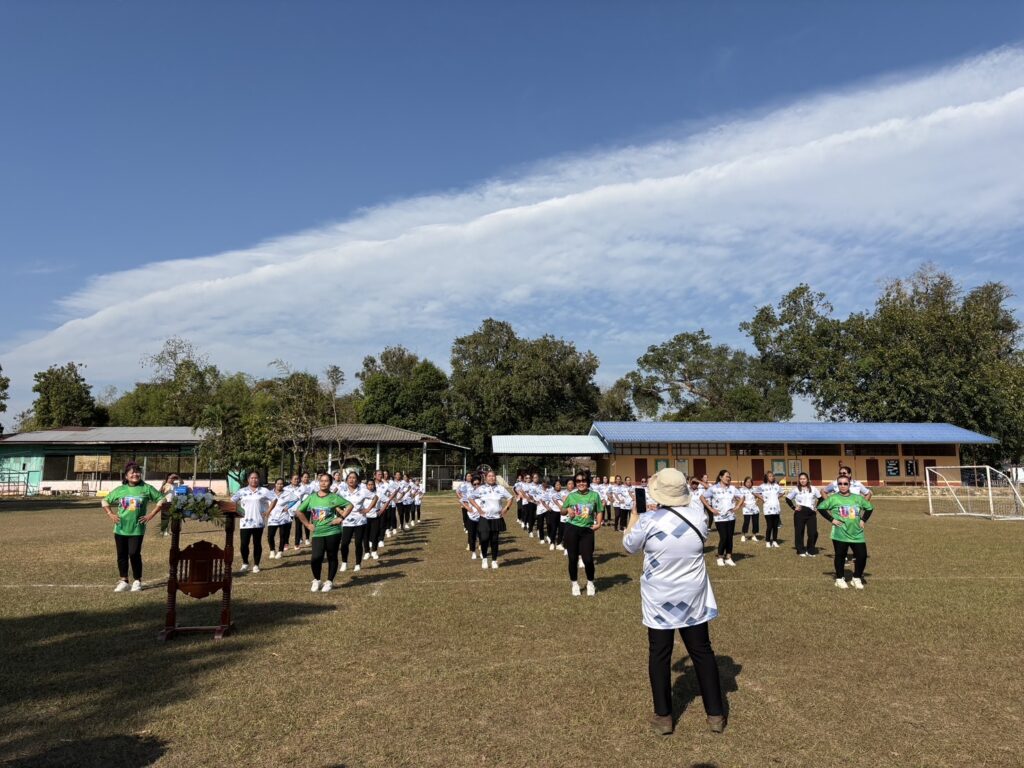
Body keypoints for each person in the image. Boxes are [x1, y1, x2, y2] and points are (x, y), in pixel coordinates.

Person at [622, 468, 725, 735]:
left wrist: (635, 515)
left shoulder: (648, 521)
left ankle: (664, 716)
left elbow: (629, 545)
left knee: (659, 653)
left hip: (660, 597)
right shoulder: (699, 516)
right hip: (693, 595)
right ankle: (715, 714)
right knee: (702, 651)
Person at [102, 462, 168, 592]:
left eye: (137, 472)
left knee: (134, 553)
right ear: (126, 476)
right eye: (132, 473)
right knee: (121, 555)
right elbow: (104, 501)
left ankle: (137, 581)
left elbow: (162, 499)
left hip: (137, 528)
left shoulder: (147, 488)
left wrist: (151, 515)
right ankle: (124, 581)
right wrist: (111, 514)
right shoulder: (120, 490)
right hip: (120, 528)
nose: (135, 474)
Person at [294, 472, 352, 592]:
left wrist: (341, 518)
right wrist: (308, 524)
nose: (323, 483)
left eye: (326, 481)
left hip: (333, 531)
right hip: (317, 533)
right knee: (316, 557)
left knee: (332, 556)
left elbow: (349, 505)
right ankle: (317, 580)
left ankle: (329, 581)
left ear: (330, 483)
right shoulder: (312, 497)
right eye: (321, 481)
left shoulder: (334, 497)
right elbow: (299, 511)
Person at [818, 477, 875, 588]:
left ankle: (856, 578)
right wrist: (832, 519)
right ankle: (839, 579)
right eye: (840, 484)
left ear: (849, 485)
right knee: (840, 556)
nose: (843, 486)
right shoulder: (833, 498)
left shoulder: (857, 498)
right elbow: (821, 508)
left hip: (857, 533)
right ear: (837, 485)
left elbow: (869, 508)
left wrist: (863, 520)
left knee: (862, 556)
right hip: (840, 533)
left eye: (845, 483)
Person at [561, 470, 604, 596]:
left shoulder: (594, 495)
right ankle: (574, 584)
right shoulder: (571, 496)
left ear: (588, 482)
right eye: (578, 481)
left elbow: (599, 510)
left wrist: (598, 524)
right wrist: (568, 509)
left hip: (587, 530)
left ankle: (590, 583)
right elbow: (562, 511)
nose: (581, 483)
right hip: (572, 529)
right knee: (572, 558)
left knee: (588, 559)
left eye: (583, 481)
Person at [231, 471, 278, 573]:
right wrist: (237, 511)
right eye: (252, 478)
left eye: (256, 478)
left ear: (259, 479)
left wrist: (268, 511)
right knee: (244, 544)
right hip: (245, 522)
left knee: (257, 544)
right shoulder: (242, 491)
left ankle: (256, 565)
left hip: (258, 522)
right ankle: (245, 563)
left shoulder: (264, 491)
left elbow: (274, 499)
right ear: (248, 479)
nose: (254, 480)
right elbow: (232, 501)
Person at [466, 470, 513, 569]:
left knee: (494, 540)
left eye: (493, 476)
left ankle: (494, 561)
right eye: (489, 476)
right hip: (484, 518)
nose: (492, 478)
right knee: (484, 539)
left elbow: (510, 498)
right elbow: (470, 498)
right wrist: (478, 508)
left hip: (496, 518)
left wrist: (506, 508)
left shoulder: (500, 488)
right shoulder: (481, 488)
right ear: (486, 478)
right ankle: (484, 559)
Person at [701, 470, 743, 567]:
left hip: (731, 517)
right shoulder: (713, 488)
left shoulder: (732, 488)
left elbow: (742, 496)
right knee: (724, 537)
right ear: (720, 477)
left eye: (729, 476)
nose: (728, 478)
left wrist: (737, 506)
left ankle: (728, 557)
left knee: (730, 537)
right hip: (719, 517)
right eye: (726, 476)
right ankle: (720, 557)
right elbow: (702, 497)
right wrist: (711, 509)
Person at [337, 471, 375, 573]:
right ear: (346, 480)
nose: (351, 480)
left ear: (357, 480)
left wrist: (367, 509)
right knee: (344, 543)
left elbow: (375, 497)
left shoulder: (363, 491)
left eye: (354, 478)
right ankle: (344, 562)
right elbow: (333, 501)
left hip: (360, 521)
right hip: (347, 520)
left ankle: (358, 564)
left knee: (358, 543)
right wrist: (340, 511)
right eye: (349, 478)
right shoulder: (342, 491)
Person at [786, 472, 821, 557]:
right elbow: (788, 499)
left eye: (804, 479)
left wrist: (817, 507)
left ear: (807, 479)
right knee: (799, 532)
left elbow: (821, 498)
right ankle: (800, 550)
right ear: (799, 480)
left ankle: (810, 550)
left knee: (813, 533)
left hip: (811, 513)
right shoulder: (796, 489)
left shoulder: (813, 489)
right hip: (800, 513)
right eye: (801, 479)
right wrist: (793, 507)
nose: (802, 480)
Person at [268, 478, 300, 559]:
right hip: (272, 516)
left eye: (281, 484)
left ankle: (280, 551)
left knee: (282, 535)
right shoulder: (269, 493)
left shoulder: (287, 493)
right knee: (270, 535)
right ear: (275, 484)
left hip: (283, 516)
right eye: (278, 483)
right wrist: (267, 510)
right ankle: (272, 550)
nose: (280, 485)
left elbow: (296, 499)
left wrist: (288, 506)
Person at [754, 472, 785, 549]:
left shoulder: (776, 486)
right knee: (770, 526)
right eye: (770, 476)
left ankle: (774, 541)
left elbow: (783, 492)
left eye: (772, 476)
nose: (772, 477)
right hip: (767, 508)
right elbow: (754, 492)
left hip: (776, 508)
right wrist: (762, 498)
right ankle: (768, 541)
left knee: (775, 526)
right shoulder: (763, 486)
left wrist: (777, 497)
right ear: (766, 477)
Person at [364, 478, 383, 561]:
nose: (370, 486)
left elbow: (386, 501)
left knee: (375, 535)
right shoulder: (363, 493)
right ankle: (367, 552)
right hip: (365, 517)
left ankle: (374, 551)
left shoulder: (378, 493)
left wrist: (381, 510)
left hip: (375, 517)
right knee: (365, 536)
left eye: (372, 484)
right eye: (369, 485)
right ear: (366, 486)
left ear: (374, 485)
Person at [738, 476, 760, 543]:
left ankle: (754, 535)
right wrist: (742, 503)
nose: (749, 483)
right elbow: (737, 497)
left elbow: (758, 496)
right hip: (746, 508)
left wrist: (757, 500)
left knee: (755, 522)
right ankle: (743, 535)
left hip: (754, 508)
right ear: (745, 483)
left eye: (750, 482)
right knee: (746, 522)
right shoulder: (742, 490)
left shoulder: (754, 489)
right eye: (747, 482)